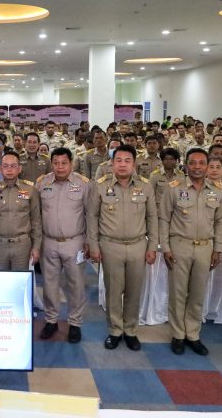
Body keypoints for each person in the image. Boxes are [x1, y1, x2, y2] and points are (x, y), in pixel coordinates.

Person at [88, 145, 158, 351]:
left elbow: (152, 217)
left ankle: (130, 330)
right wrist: (94, 245)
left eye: (127, 161)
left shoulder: (145, 186)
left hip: (138, 245)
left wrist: (152, 245)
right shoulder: (100, 186)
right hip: (110, 246)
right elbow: (91, 217)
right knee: (113, 292)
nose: (122, 165)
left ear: (134, 164)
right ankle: (115, 331)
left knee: (134, 292)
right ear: (112, 163)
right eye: (118, 160)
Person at [158, 149, 222, 356]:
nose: (197, 167)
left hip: (205, 247)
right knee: (178, 293)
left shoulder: (217, 191)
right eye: (193, 163)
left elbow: (220, 222)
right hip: (180, 245)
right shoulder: (174, 188)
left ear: (207, 166)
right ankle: (178, 334)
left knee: (198, 293)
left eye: (201, 163)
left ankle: (193, 334)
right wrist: (165, 247)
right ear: (186, 165)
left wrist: (218, 248)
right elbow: (164, 219)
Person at [36, 147, 93, 344]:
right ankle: (51, 320)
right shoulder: (42, 183)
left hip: (74, 242)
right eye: (56, 163)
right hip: (48, 242)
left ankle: (75, 323)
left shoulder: (84, 184)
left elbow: (91, 215)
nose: (60, 167)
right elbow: (36, 215)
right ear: (51, 164)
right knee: (49, 284)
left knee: (76, 285)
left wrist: (90, 241)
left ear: (71, 163)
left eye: (64, 163)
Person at [0, 152, 42, 270]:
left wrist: (36, 247)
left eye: (13, 166)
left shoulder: (30, 189)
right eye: (5, 166)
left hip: (22, 245)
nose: (9, 169)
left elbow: (36, 221)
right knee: (1, 280)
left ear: (19, 168)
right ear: (0, 169)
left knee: (20, 280)